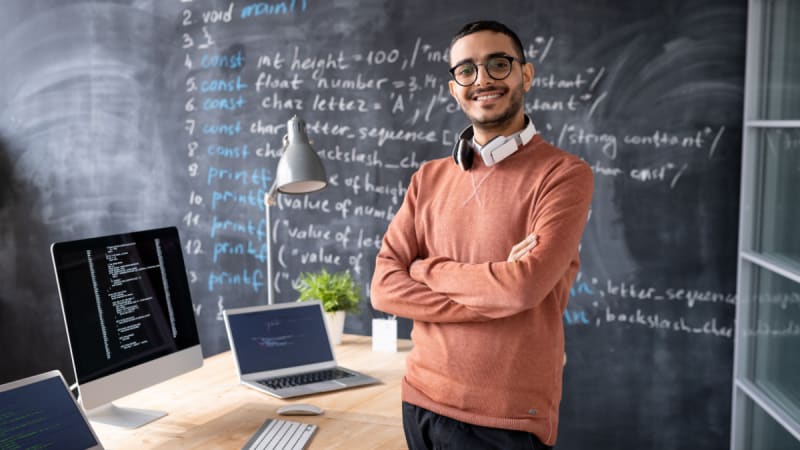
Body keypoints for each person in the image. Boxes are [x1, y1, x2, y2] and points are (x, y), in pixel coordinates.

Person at [370, 20, 594, 449]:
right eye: (466, 70)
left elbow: (521, 289)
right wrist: (494, 291)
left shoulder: (564, 175)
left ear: (525, 75)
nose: (482, 80)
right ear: (454, 88)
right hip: (419, 400)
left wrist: (424, 268)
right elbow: (383, 288)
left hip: (506, 419)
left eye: (498, 64)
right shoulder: (428, 178)